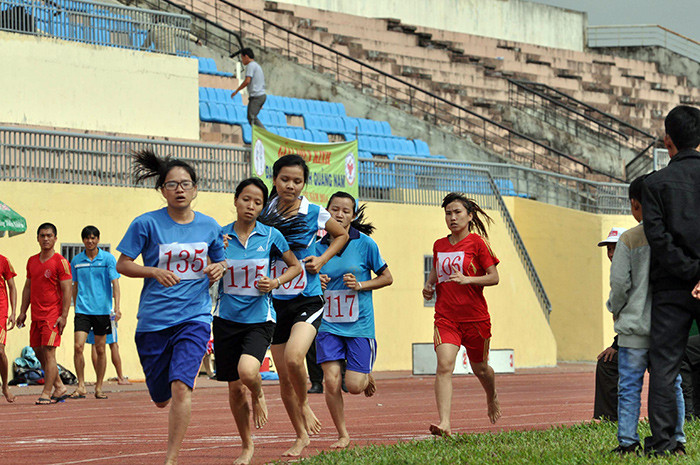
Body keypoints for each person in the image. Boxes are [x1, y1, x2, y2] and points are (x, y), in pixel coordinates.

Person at [116, 150, 226, 465]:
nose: (179, 189)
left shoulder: (209, 226)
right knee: (162, 397)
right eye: (172, 184)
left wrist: (218, 267)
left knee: (182, 387)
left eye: (185, 183)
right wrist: (154, 271)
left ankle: (171, 459)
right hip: (153, 321)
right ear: (162, 189)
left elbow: (219, 259)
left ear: (195, 189)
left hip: (194, 317)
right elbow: (123, 264)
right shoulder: (146, 224)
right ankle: (160, 392)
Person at [262, 154, 349, 456]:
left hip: (307, 297)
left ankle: (305, 403)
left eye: (297, 181)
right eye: (285, 179)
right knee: (285, 377)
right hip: (274, 302)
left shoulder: (315, 212)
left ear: (304, 183)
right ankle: (301, 435)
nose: (291, 185)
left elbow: (342, 235)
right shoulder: (264, 212)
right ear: (274, 179)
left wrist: (322, 260)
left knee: (295, 358)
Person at [215, 177, 301, 465]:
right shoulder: (219, 237)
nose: (250, 206)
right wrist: (213, 265)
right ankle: (247, 444)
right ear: (236, 200)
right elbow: (204, 269)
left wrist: (275, 282)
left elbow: (295, 266)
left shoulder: (271, 235)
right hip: (225, 318)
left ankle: (260, 393)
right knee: (233, 388)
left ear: (263, 206)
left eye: (257, 202)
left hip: (259, 318)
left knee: (248, 372)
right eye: (246, 199)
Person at [608, 176, 685, 454]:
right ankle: (677, 438)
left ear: (634, 203)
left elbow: (619, 284)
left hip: (635, 325)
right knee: (672, 383)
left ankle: (628, 442)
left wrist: (617, 311)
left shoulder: (629, 238)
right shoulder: (674, 235)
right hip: (669, 325)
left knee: (629, 386)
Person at [642, 105, 700, 456]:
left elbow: (659, 240)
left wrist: (689, 272)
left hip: (670, 287)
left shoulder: (655, 183)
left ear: (668, 141)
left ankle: (665, 444)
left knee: (664, 364)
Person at [317, 192, 393, 449]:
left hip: (359, 323)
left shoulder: (366, 244)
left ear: (353, 215)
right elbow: (303, 280)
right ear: (326, 212)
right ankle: (342, 434)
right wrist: (317, 282)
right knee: (330, 380)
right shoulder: (315, 244)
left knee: (354, 386)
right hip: (327, 322)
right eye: (334, 209)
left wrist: (360, 285)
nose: (339, 214)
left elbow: (387, 278)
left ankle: (364, 374)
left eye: (346, 211)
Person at [422, 193, 500, 436]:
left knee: (481, 369)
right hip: (446, 317)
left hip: (475, 319)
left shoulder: (478, 243)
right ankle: (444, 422)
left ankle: (492, 395)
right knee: (444, 365)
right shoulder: (439, 245)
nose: (452, 217)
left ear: (469, 215)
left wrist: (468, 279)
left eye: (457, 212)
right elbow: (436, 269)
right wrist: (428, 284)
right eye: (448, 213)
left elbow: (494, 277)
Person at [16, 223, 72, 405]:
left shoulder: (60, 262)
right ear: (37, 238)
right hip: (35, 315)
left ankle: (47, 392)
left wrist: (63, 316)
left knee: (49, 353)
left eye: (49, 235)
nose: (46, 239)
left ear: (55, 238)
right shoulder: (32, 261)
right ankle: (60, 386)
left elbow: (67, 290)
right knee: (38, 352)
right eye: (42, 235)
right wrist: (23, 311)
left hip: (52, 316)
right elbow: (27, 287)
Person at [70, 225, 120, 400]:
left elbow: (116, 283)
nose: (90, 241)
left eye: (93, 238)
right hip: (82, 311)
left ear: (98, 239)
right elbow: (74, 286)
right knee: (78, 346)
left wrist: (117, 308)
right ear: (83, 240)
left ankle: (99, 387)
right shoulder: (76, 261)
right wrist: (76, 307)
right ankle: (81, 386)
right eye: (87, 238)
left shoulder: (108, 259)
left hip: (102, 311)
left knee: (100, 349)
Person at [593, 226, 627, 421]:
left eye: (616, 248)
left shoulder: (635, 271)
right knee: (607, 362)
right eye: (609, 249)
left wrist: (617, 345)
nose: (611, 254)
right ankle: (608, 418)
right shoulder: (617, 275)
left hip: (652, 338)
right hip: (633, 336)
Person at [231, 48, 266, 129]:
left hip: (256, 96)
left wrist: (237, 91)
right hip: (260, 96)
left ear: (246, 56)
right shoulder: (257, 66)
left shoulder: (251, 65)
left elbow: (247, 81)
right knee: (251, 117)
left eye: (242, 58)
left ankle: (264, 134)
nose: (242, 61)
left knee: (251, 117)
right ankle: (260, 135)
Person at [0, 253, 17, 403]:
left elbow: (12, 286)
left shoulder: (4, 260)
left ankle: (5, 386)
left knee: (0, 350)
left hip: (0, 311)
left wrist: (13, 312)